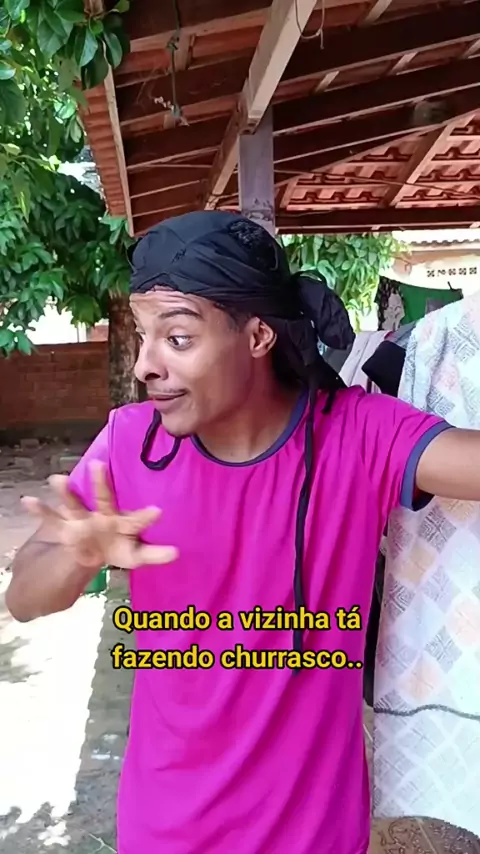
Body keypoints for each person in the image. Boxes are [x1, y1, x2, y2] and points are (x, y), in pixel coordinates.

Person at [6, 211, 480, 854]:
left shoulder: (356, 434)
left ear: (257, 335)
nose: (144, 365)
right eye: (144, 336)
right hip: (166, 832)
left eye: (176, 338)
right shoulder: (130, 445)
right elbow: (23, 599)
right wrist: (75, 555)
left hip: (317, 837)